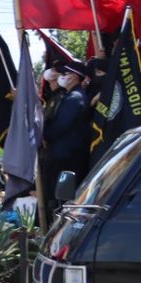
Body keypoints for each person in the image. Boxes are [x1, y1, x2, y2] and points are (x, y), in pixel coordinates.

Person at [41, 63, 91, 211]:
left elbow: (61, 125)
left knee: (64, 201)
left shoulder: (75, 98)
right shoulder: (71, 96)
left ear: (74, 76)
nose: (61, 77)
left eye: (65, 74)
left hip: (67, 157)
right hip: (64, 155)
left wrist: (46, 135)